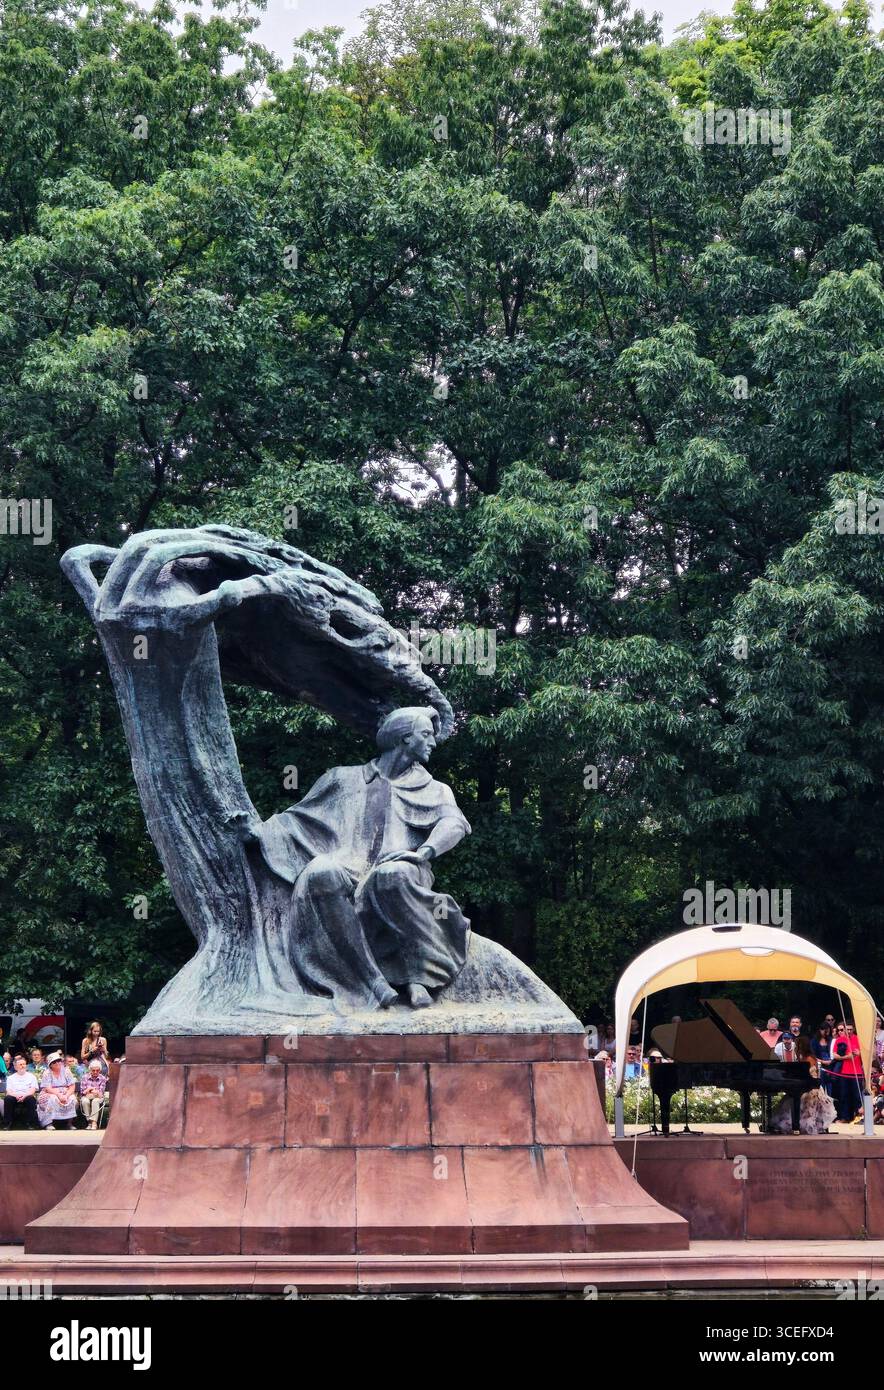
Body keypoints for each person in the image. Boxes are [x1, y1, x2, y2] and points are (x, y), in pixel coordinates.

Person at [243, 706, 471, 1011]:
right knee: (320, 871)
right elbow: (295, 819)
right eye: (426, 734)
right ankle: (372, 981)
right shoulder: (342, 779)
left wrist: (423, 853)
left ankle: (418, 975)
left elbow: (453, 823)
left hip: (404, 867)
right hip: (349, 864)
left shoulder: (435, 789)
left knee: (392, 875)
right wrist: (257, 833)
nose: (433, 742)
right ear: (404, 738)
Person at [830, 1023, 864, 1123]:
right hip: (843, 1072)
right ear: (844, 1030)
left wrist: (859, 1053)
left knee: (857, 1096)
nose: (848, 1031)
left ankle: (859, 1117)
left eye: (850, 1029)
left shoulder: (858, 1039)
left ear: (853, 1029)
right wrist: (847, 1057)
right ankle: (845, 1117)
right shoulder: (839, 1040)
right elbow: (834, 1055)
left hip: (856, 1072)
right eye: (847, 1029)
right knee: (844, 1095)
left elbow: (865, 1053)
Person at [37, 1052, 78, 1130]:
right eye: (54, 1062)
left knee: (72, 1099)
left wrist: (66, 1095)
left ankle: (69, 1123)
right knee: (53, 1099)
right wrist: (59, 1095)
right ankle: (49, 1123)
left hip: (65, 1092)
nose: (57, 1063)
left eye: (59, 1061)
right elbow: (47, 1088)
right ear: (50, 1064)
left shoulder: (67, 1071)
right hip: (50, 1092)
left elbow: (72, 1086)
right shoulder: (47, 1073)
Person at [2, 1055, 39, 1129]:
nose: (23, 1066)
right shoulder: (10, 1078)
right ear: (15, 1067)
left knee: (31, 1099)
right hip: (14, 1096)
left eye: (24, 1064)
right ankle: (8, 1123)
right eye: (20, 1064)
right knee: (8, 1099)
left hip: (27, 1096)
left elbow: (32, 1091)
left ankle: (31, 1123)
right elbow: (9, 1091)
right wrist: (16, 1096)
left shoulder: (32, 1077)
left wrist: (24, 1096)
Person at [79, 1059, 108, 1130]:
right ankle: (89, 1122)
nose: (95, 1072)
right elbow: (82, 1092)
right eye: (93, 1070)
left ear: (100, 1070)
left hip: (98, 1097)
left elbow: (101, 1093)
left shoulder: (102, 1078)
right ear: (90, 1070)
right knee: (85, 1101)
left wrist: (95, 1092)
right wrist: (88, 1090)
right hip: (86, 1096)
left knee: (95, 1101)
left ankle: (94, 1123)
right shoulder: (84, 1077)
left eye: (97, 1070)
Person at [811, 1024, 834, 1096]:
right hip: (820, 1067)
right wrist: (823, 1061)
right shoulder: (814, 1041)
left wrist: (831, 1061)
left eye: (827, 1029)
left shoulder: (831, 1040)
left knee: (831, 1088)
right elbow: (812, 1055)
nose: (825, 1031)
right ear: (819, 1030)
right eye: (823, 1029)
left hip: (831, 1066)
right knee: (821, 1087)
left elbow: (834, 1052)